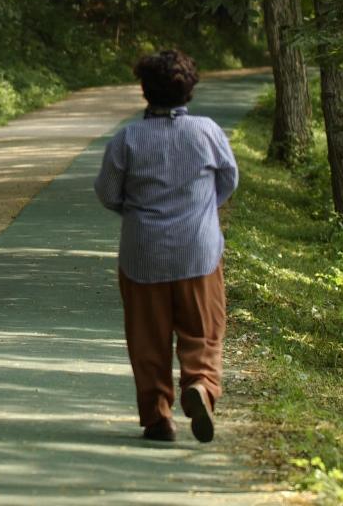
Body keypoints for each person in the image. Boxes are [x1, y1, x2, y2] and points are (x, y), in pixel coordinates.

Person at [93, 49, 238, 443]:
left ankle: (158, 417)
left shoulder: (128, 139)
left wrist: (137, 212)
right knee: (204, 332)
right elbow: (229, 180)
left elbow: (107, 193)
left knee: (147, 339)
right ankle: (202, 387)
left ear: (145, 91)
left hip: (143, 253)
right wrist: (201, 210)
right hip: (199, 251)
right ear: (189, 91)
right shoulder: (207, 131)